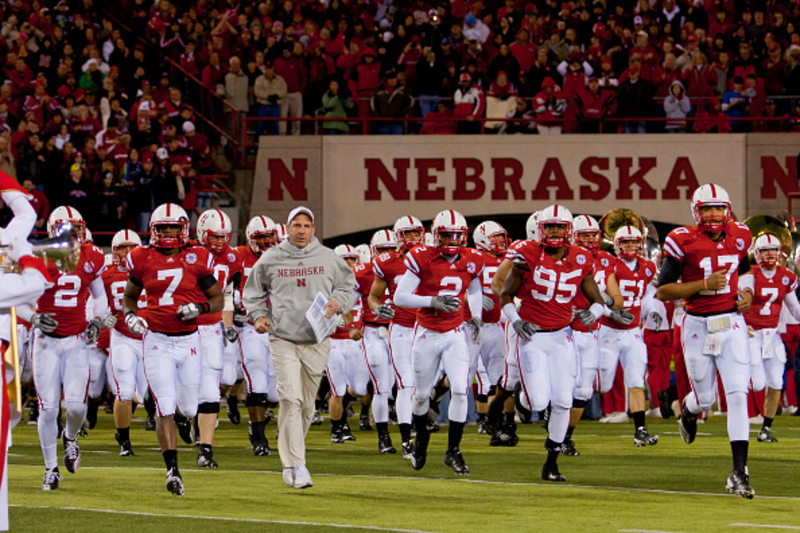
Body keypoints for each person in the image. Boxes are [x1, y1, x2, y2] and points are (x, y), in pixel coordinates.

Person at [242, 206, 356, 489]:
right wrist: (258, 316)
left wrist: (338, 302)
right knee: (290, 399)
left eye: (307, 225)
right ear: (288, 228)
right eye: (297, 225)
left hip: (317, 340)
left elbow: (348, 287)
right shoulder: (271, 258)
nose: (302, 230)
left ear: (313, 230)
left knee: (306, 406)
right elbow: (252, 292)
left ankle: (291, 459)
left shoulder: (329, 258)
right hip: (283, 338)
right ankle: (297, 465)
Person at [657, 183, 756, 498]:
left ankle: (738, 472)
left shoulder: (740, 234)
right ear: (695, 211)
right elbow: (663, 290)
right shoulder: (682, 241)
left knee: (738, 393)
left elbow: (745, 267)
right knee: (704, 399)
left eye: (718, 208)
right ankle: (687, 409)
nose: (713, 214)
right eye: (706, 208)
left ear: (727, 210)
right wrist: (701, 284)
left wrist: (749, 293)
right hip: (697, 324)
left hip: (731, 322)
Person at [499, 205, 608, 481]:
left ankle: (551, 462)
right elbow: (505, 294)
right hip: (532, 338)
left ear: (568, 230)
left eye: (560, 227)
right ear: (541, 230)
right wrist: (515, 321)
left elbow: (598, 301)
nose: (556, 232)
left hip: (563, 337)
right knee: (538, 403)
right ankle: (522, 400)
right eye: (550, 227)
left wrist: (591, 314)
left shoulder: (582, 258)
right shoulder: (527, 254)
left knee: (562, 401)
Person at [122, 203, 224, 496]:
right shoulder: (140, 258)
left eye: (173, 228)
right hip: (156, 340)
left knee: (190, 406)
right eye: (163, 228)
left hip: (190, 340)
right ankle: (172, 470)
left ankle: (183, 418)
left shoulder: (198, 257)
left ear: (184, 229)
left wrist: (200, 307)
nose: (168, 234)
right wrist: (131, 317)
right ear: (153, 230)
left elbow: (217, 299)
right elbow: (130, 297)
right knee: (164, 404)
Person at [394, 209, 484, 475]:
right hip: (426, 333)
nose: (452, 240)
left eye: (457, 235)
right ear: (436, 236)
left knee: (459, 388)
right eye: (446, 235)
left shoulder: (472, 260)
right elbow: (400, 297)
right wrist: (431, 301)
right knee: (421, 395)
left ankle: (453, 450)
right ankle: (421, 441)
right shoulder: (422, 257)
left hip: (454, 332)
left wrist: (476, 317)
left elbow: (475, 287)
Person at [29, 207, 112, 491]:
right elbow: (17, 296)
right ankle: (51, 469)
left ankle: (70, 437)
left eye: (76, 228)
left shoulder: (91, 257)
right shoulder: (38, 255)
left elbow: (102, 298)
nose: (72, 234)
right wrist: (32, 316)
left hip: (77, 340)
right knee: (48, 408)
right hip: (45, 342)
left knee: (77, 407)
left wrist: (98, 321)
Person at [561, 215, 621, 456]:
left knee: (585, 391)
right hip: (562, 330)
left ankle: (564, 438)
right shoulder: (563, 257)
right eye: (584, 234)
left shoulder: (606, 261)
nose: (589, 239)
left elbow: (617, 300)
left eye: (593, 234)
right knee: (562, 388)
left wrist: (603, 302)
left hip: (589, 331)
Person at [597, 226, 660, 447]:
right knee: (601, 384)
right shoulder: (608, 264)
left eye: (634, 242)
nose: (631, 246)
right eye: (626, 242)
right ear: (617, 245)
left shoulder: (648, 268)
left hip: (633, 332)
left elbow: (647, 294)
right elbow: (597, 295)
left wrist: (651, 311)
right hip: (608, 331)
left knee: (635, 380)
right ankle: (564, 423)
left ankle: (640, 430)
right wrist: (611, 311)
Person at [369, 215, 425, 459]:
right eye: (408, 234)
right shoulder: (388, 263)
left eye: (416, 233)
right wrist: (376, 308)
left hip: (428, 329)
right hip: (401, 328)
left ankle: (419, 427)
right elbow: (373, 296)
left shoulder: (431, 257)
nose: (412, 238)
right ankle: (406, 439)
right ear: (398, 237)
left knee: (424, 385)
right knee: (406, 384)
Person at [193, 209, 242, 469]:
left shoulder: (232, 258)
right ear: (202, 233)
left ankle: (205, 449)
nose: (221, 242)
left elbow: (228, 294)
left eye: (225, 237)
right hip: (185, 328)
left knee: (214, 382)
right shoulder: (188, 254)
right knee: (187, 388)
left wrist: (227, 324)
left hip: (212, 326)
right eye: (215, 236)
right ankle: (186, 418)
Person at [744, 234, 800, 443]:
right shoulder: (749, 274)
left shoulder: (786, 276)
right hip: (752, 334)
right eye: (765, 250)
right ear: (757, 253)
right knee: (758, 383)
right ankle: (741, 408)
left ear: (780, 252)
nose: (770, 254)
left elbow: (794, 307)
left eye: (773, 250)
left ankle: (766, 428)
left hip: (772, 335)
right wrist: (740, 323)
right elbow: (735, 302)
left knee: (776, 382)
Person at [236, 216, 280, 456]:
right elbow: (225, 286)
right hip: (251, 326)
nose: (265, 242)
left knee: (275, 390)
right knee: (257, 379)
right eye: (260, 238)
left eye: (268, 237)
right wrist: (234, 310)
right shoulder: (238, 257)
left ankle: (263, 428)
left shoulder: (285, 256)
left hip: (278, 328)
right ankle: (259, 435)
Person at [355, 230, 401, 453]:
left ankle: (406, 433)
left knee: (402, 386)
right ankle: (384, 437)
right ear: (374, 252)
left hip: (400, 330)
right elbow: (344, 297)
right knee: (382, 386)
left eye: (391, 249)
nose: (387, 254)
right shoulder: (361, 273)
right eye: (383, 250)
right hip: (373, 332)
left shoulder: (406, 266)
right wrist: (351, 323)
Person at [103, 229, 146, 457]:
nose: (128, 252)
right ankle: (124, 439)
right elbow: (95, 302)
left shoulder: (152, 267)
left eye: (132, 247)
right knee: (125, 390)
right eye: (122, 248)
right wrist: (101, 319)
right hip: (122, 336)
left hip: (150, 337)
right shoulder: (105, 274)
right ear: (114, 249)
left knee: (153, 393)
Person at [470, 221, 509, 434]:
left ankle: (494, 422)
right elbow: (457, 285)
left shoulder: (507, 259)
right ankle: (436, 392)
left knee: (497, 374)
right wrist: (472, 300)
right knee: (463, 377)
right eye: (496, 237)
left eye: (502, 237)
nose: (502, 241)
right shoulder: (472, 258)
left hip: (493, 323)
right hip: (469, 325)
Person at [253, 61, 287, 136]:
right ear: (264, 69)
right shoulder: (259, 79)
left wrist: (276, 96)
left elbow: (283, 90)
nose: (268, 71)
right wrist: (268, 96)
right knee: (261, 124)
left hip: (275, 105)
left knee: (275, 124)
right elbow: (257, 91)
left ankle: (275, 143)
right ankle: (259, 143)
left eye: (270, 68)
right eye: (267, 69)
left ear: (273, 68)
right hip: (263, 105)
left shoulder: (280, 79)